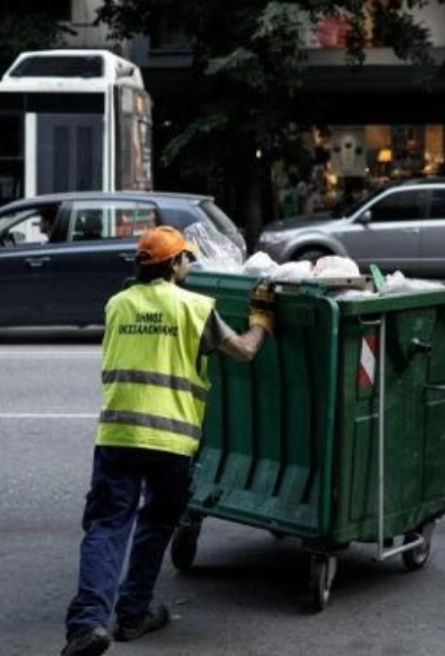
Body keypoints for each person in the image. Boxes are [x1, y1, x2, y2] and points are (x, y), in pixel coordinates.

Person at [62, 226, 273, 656]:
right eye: (187, 259)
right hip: (172, 441)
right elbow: (245, 351)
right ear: (174, 265)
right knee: (156, 522)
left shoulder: (117, 305)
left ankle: (87, 626)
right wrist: (262, 322)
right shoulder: (194, 308)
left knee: (106, 527)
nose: (190, 264)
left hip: (119, 434)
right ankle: (134, 614)